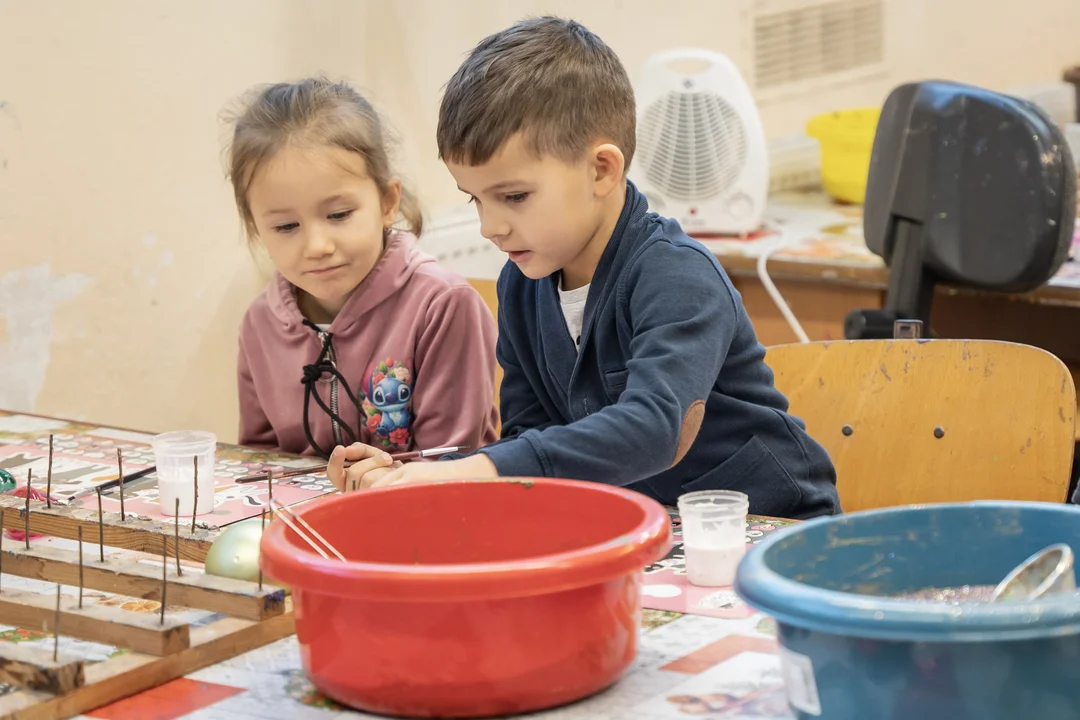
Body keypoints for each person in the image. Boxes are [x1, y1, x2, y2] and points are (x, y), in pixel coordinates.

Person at [328, 19, 839, 519]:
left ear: (601, 169)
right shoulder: (522, 284)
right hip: (643, 528)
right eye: (475, 200)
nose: (490, 227)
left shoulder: (678, 275)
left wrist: (469, 470)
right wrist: (412, 470)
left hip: (774, 527)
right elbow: (532, 444)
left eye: (513, 196)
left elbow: (653, 430)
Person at [228, 77, 499, 460]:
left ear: (388, 202)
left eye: (339, 215)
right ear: (258, 228)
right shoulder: (260, 323)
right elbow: (262, 460)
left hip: (426, 512)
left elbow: (450, 462)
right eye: (286, 226)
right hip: (310, 519)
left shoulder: (443, 307)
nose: (318, 247)